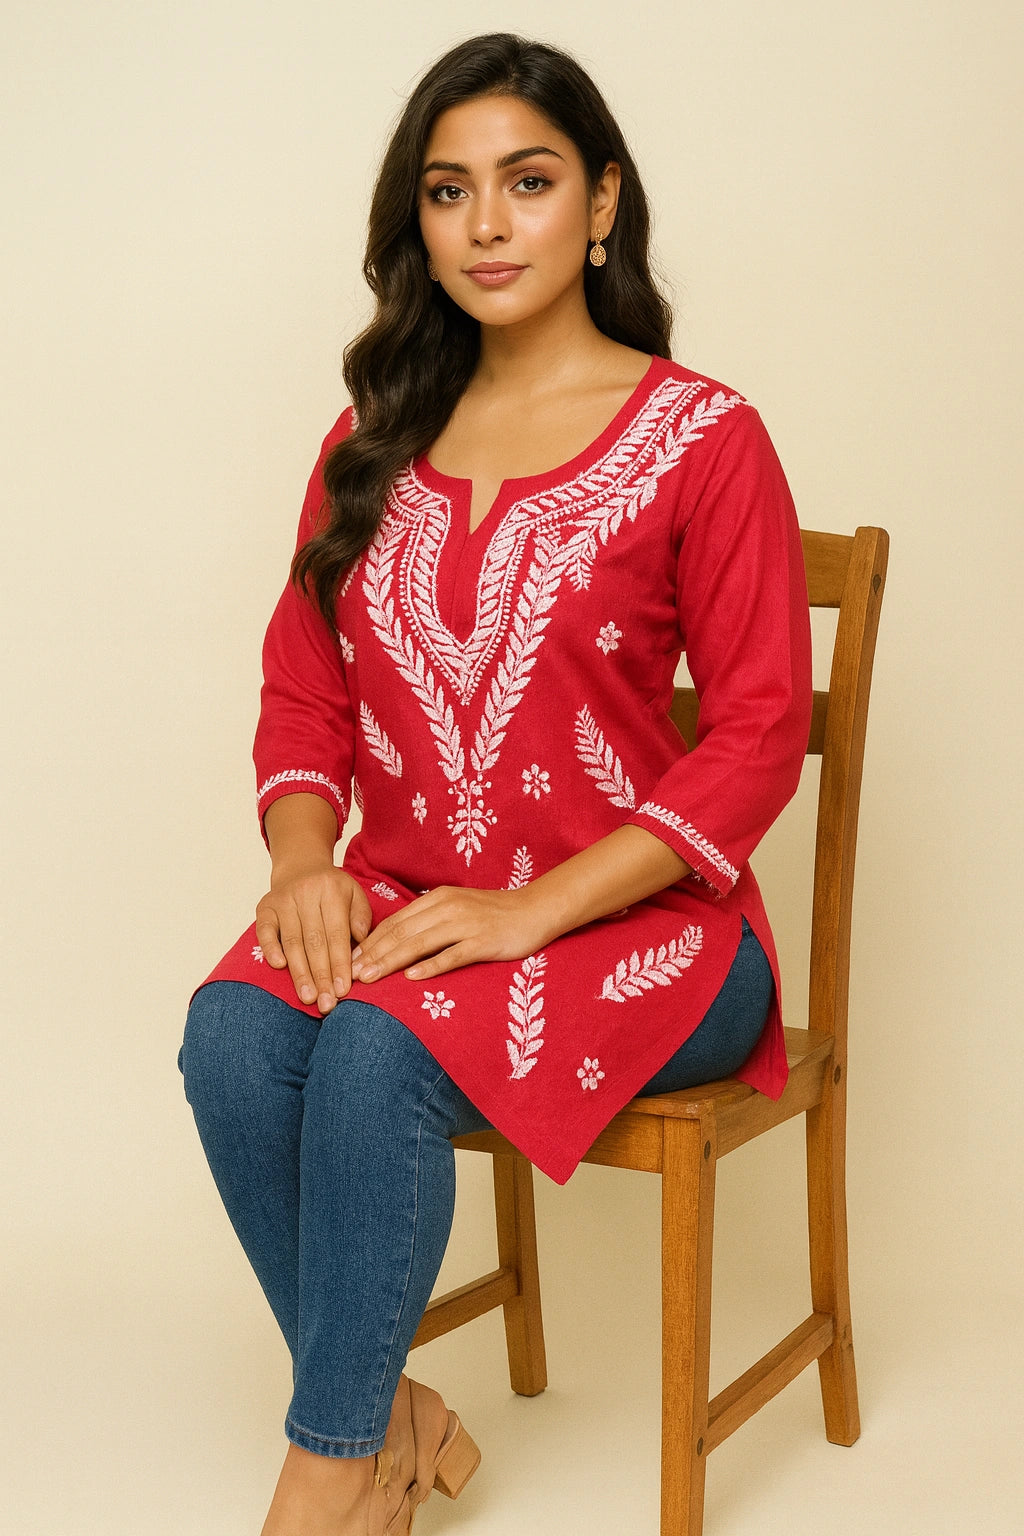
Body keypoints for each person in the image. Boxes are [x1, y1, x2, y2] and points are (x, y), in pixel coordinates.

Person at [179, 31, 812, 1536]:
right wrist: (301, 863)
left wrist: (533, 912)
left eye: (527, 182)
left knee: (376, 1049)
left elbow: (757, 734)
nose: (484, 224)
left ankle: (330, 1483)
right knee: (234, 1036)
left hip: (659, 932)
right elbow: (305, 687)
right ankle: (391, 1417)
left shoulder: (703, 439)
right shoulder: (372, 441)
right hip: (415, 904)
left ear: (602, 203)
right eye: (447, 190)